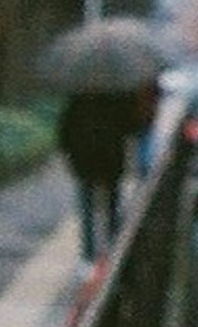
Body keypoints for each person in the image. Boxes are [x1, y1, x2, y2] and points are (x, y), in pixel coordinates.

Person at [59, 84, 139, 259]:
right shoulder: (120, 96)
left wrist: (69, 152)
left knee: (87, 205)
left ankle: (88, 253)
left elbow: (65, 129)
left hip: (84, 158)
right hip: (111, 156)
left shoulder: (79, 97)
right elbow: (132, 126)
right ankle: (113, 248)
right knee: (111, 203)